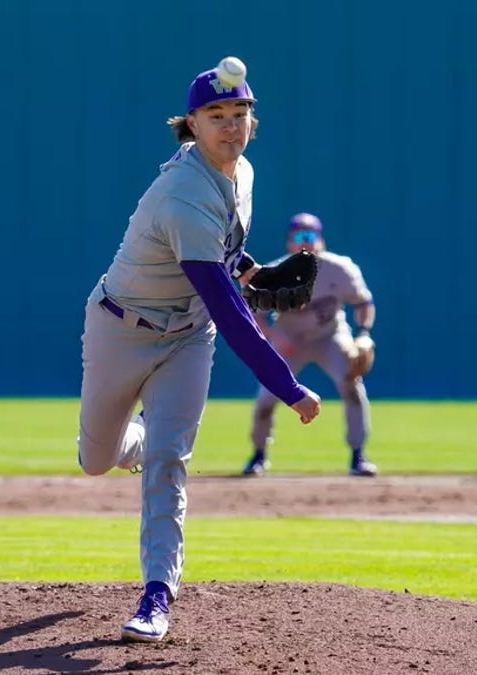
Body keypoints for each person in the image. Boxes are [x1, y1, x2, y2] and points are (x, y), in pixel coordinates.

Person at [75, 58, 322, 644]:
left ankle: (156, 596)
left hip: (188, 335)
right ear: (192, 123)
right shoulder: (181, 192)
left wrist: (254, 272)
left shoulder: (243, 175)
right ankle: (132, 439)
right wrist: (289, 388)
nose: (232, 126)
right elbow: (231, 314)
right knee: (96, 459)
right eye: (217, 115)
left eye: (241, 114)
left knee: (170, 462)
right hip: (120, 330)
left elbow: (222, 257)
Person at [241, 212, 379, 477]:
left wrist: (363, 333)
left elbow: (363, 302)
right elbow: (253, 314)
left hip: (330, 336)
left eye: (310, 236)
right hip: (289, 340)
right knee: (267, 398)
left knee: (351, 387)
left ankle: (358, 456)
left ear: (320, 239)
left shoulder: (340, 269)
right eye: (299, 237)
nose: (305, 242)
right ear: (289, 242)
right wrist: (273, 336)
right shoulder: (275, 271)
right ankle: (258, 456)